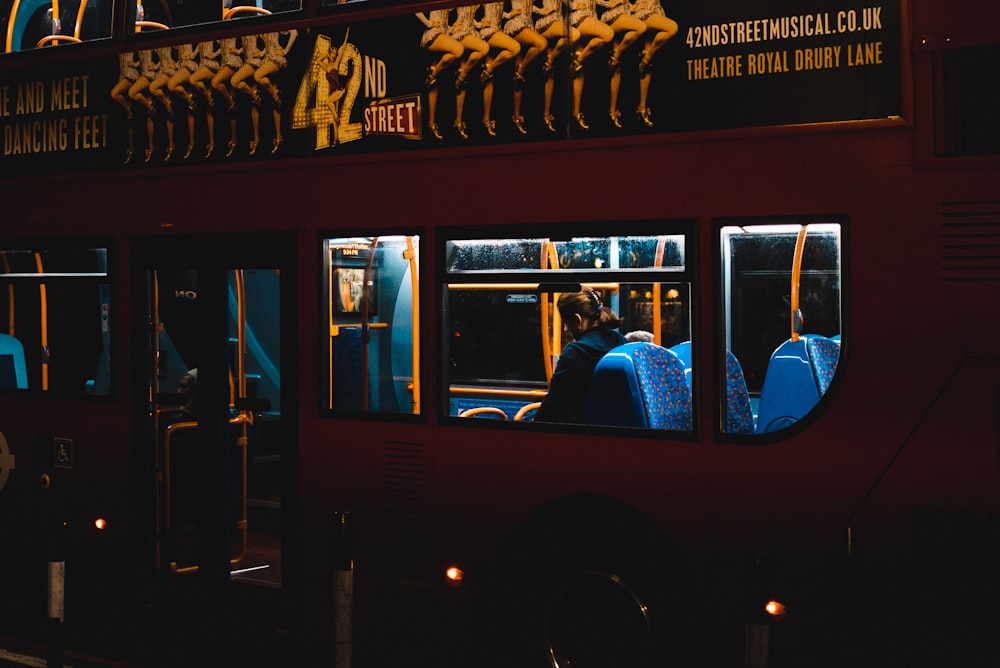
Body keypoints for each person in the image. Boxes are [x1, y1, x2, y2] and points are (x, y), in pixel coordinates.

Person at [534, 288, 626, 424]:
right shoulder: (620, 340)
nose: (566, 329)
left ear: (578, 320)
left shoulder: (575, 352)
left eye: (566, 323)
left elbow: (553, 404)